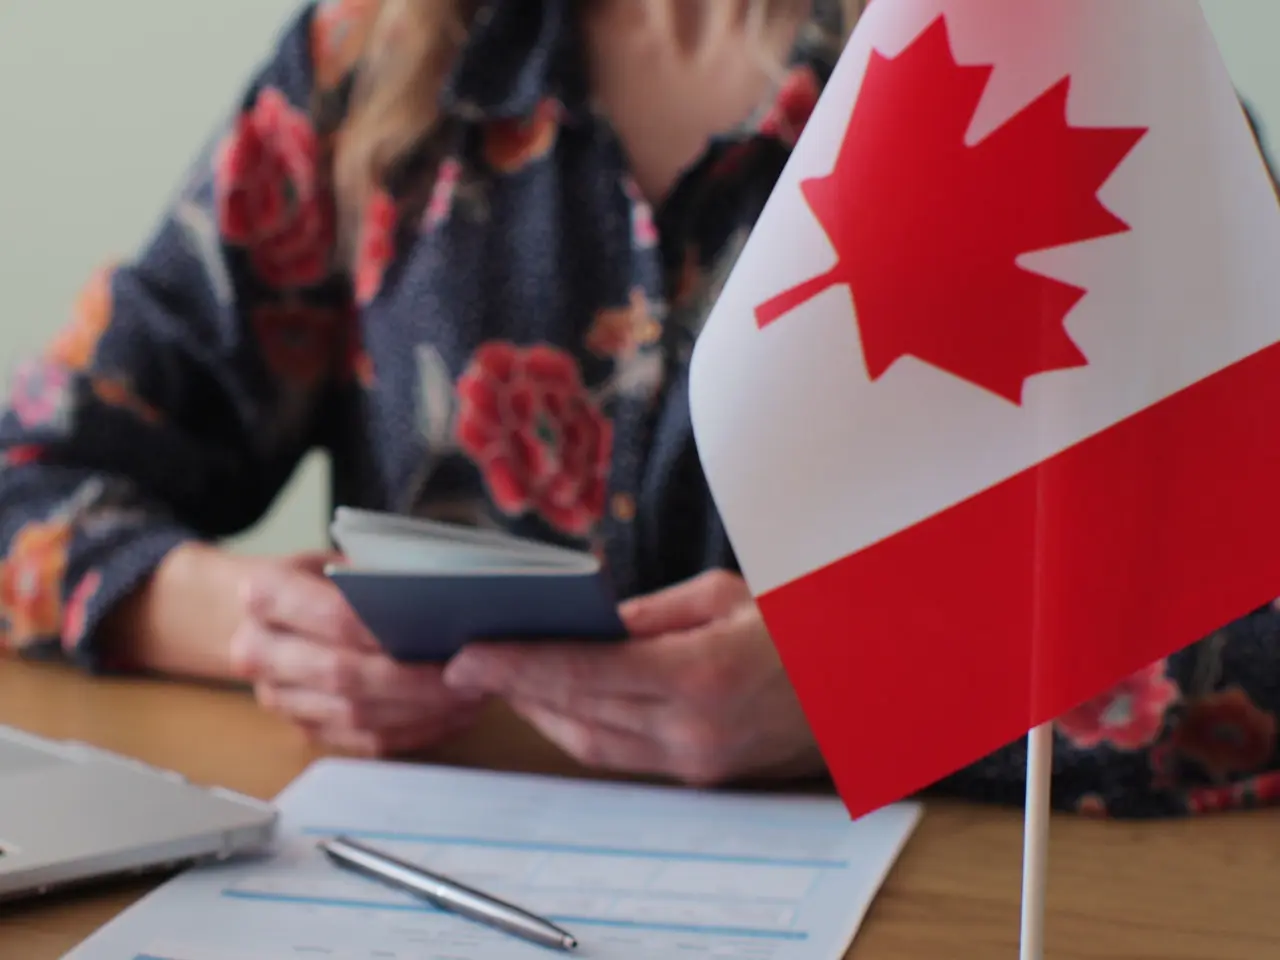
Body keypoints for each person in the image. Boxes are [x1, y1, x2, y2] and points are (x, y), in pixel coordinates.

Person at [1, 0, 1279, 820]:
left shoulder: (1062, 56)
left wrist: (862, 685)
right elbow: (29, 474)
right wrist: (252, 625)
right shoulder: (377, 59)